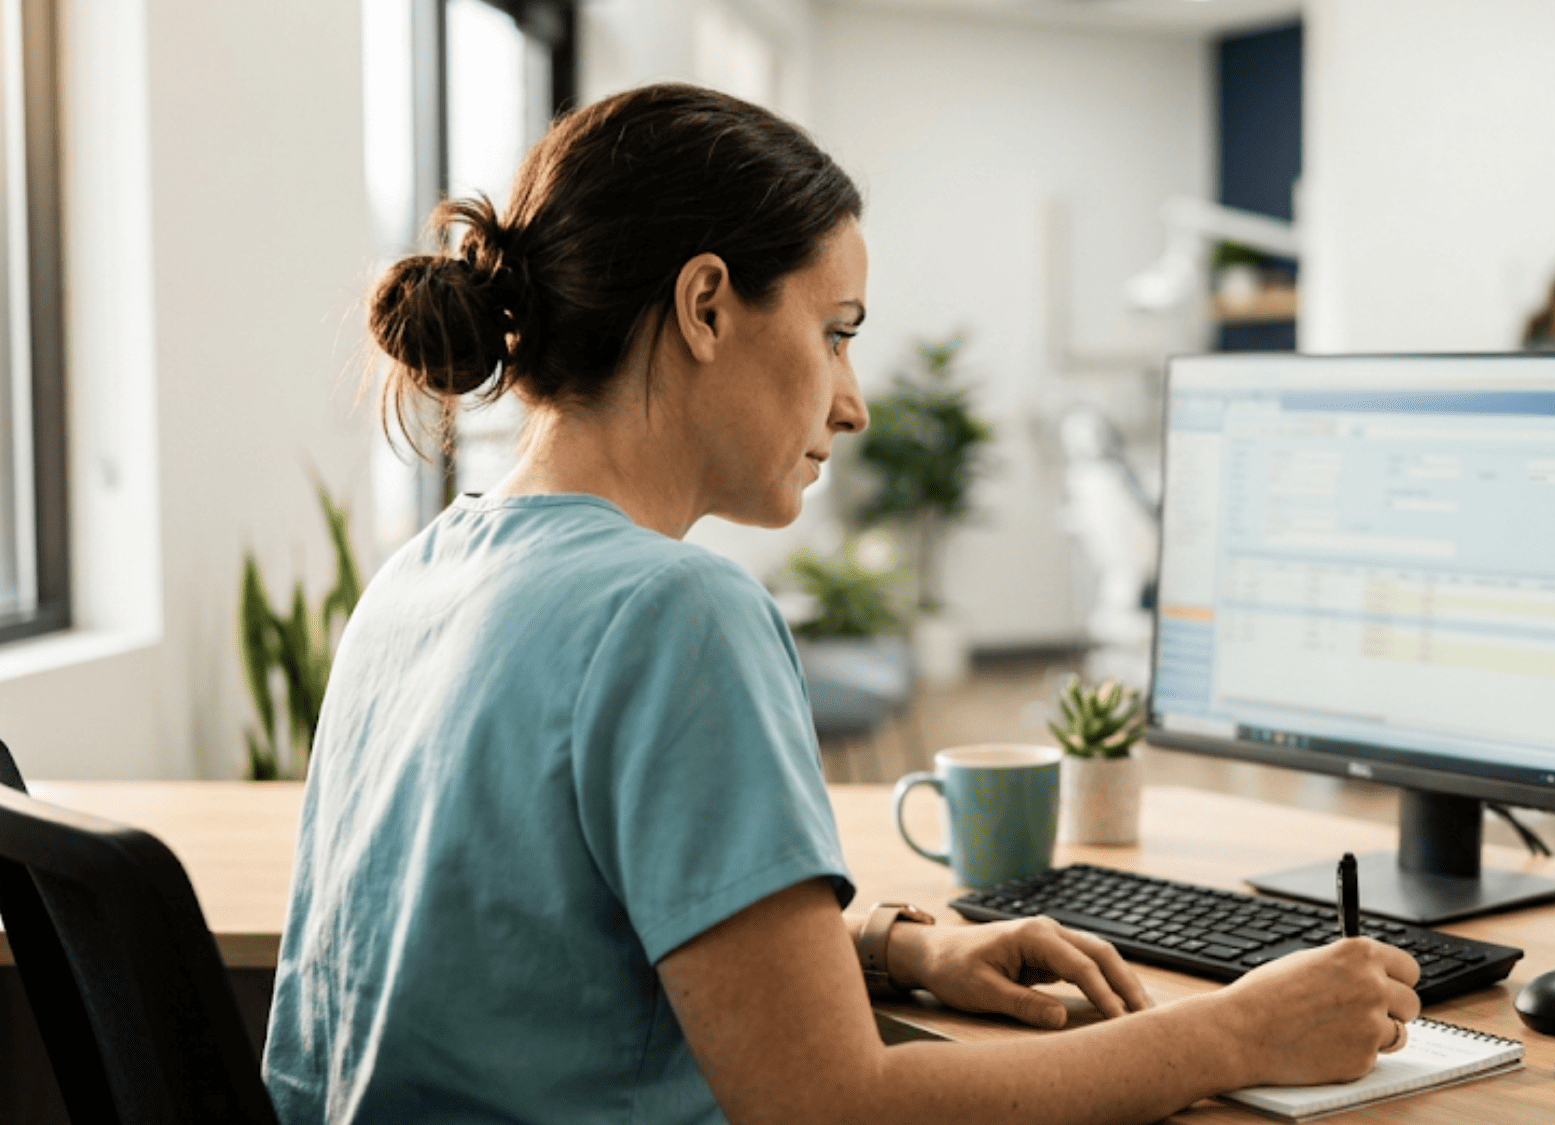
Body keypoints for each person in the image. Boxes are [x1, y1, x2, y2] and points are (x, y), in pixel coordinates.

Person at [263, 83, 1420, 1125]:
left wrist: (890, 948)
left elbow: (543, 949)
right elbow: (830, 1105)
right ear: (706, 306)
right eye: (836, 334)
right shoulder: (673, 614)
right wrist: (1232, 1033)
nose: (852, 402)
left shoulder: (419, 577)